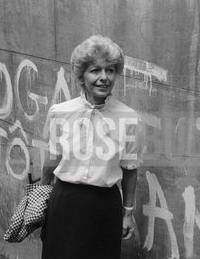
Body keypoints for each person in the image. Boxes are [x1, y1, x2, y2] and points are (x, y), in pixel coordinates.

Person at [40, 35, 142, 259]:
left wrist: (128, 213)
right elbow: (52, 159)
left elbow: (130, 170)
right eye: (95, 70)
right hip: (65, 201)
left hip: (105, 206)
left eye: (110, 70)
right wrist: (40, 196)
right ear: (81, 75)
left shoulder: (129, 118)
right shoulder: (60, 112)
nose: (103, 78)